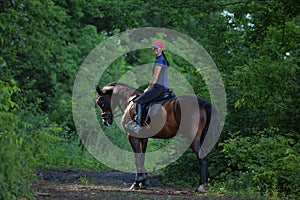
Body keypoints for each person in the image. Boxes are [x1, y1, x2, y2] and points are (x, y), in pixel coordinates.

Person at [125, 41, 170, 134]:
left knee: (138, 101)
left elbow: (155, 77)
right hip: (163, 87)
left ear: (161, 49)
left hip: (158, 87)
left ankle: (137, 126)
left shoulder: (160, 60)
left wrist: (149, 88)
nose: (154, 49)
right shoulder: (161, 59)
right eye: (153, 48)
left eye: (157, 48)